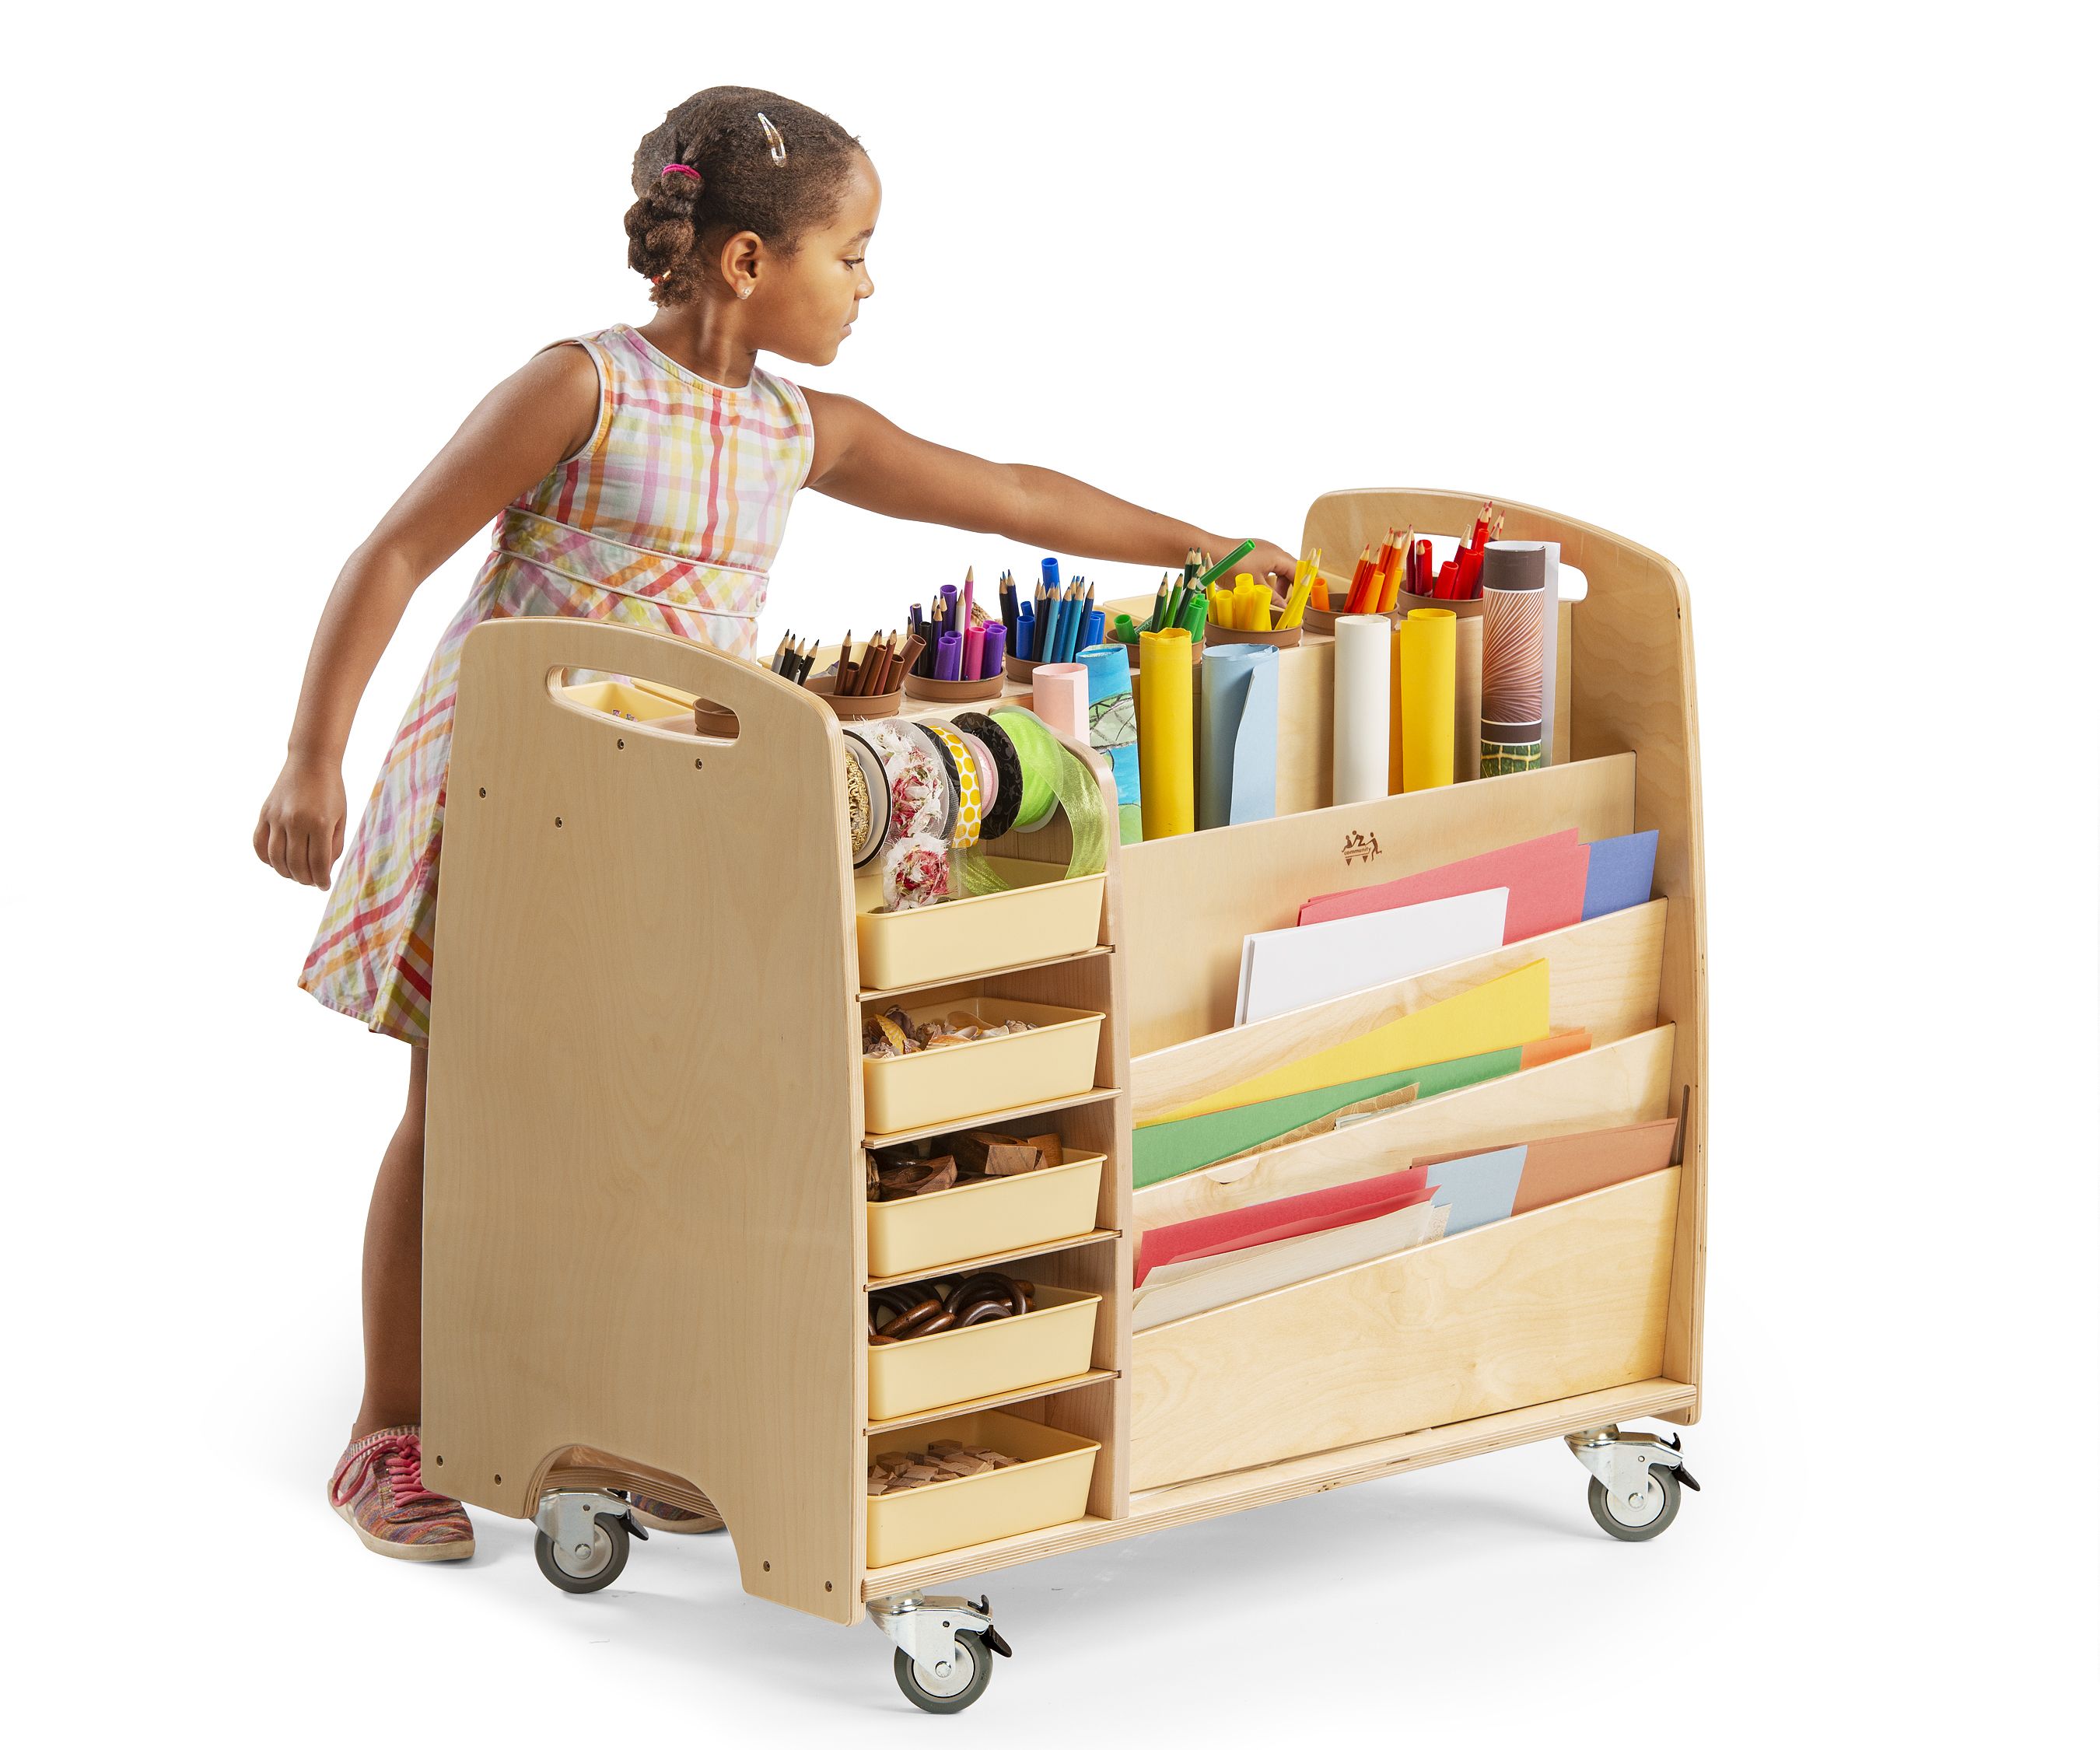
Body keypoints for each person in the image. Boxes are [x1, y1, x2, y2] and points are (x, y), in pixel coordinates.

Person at [254, 85, 1298, 1562]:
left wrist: (1203, 544)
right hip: (504, 792)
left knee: (658, 1114)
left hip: (673, 814)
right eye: (854, 254)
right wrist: (312, 753)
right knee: (462, 1110)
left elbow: (1004, 493)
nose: (871, 285)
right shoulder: (583, 386)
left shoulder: (797, 429)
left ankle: (627, 1408)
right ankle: (390, 1425)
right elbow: (402, 546)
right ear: (750, 262)